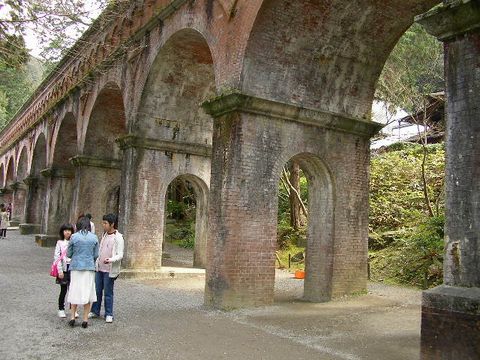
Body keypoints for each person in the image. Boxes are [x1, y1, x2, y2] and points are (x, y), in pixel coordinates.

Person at [90, 213, 124, 323]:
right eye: (103, 222)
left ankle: (109, 313)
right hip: (100, 268)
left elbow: (120, 254)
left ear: (112, 224)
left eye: (105, 223)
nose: (103, 225)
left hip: (109, 269)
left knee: (108, 292)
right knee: (97, 290)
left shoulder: (118, 237)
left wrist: (111, 259)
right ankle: (95, 310)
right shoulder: (104, 235)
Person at [67, 216, 99, 328]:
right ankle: (85, 319)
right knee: (87, 293)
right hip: (89, 268)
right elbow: (96, 255)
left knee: (74, 290)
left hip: (76, 267)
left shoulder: (74, 237)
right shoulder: (94, 238)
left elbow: (68, 253)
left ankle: (72, 317)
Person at [54, 223, 74, 318]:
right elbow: (57, 258)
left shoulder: (74, 241)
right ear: (62, 232)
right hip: (64, 268)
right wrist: (60, 271)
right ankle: (61, 308)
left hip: (72, 267)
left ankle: (73, 309)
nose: (67, 232)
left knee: (73, 290)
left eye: (69, 230)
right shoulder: (59, 243)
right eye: (65, 230)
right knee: (63, 290)